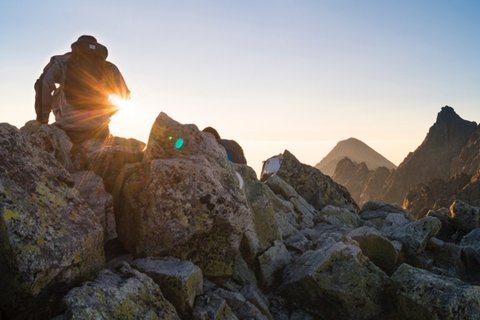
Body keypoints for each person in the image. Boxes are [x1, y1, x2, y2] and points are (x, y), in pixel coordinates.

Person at [34, 35, 130, 142]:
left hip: (68, 125)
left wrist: (42, 121)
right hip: (99, 126)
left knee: (58, 90)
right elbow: (125, 95)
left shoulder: (61, 61)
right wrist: (106, 113)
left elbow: (43, 84)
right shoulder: (109, 67)